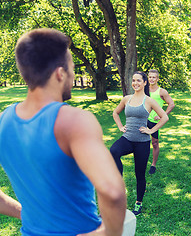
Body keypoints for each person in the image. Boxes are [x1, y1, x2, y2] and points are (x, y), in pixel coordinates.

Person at [0, 28, 128, 235]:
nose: (73, 75)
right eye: (72, 68)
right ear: (60, 74)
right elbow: (112, 192)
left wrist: (29, 213)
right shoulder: (75, 121)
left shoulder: (3, 121)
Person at [110, 71, 169, 216]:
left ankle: (138, 203)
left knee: (140, 174)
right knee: (113, 151)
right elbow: (115, 113)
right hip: (127, 138)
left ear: (144, 83)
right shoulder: (126, 99)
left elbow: (164, 117)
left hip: (142, 142)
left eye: (138, 81)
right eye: (133, 80)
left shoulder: (149, 101)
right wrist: (120, 126)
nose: (135, 83)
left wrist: (151, 130)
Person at [147, 69, 175, 174]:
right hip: (144, 119)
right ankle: (143, 161)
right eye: (150, 77)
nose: (152, 79)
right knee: (142, 142)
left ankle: (153, 164)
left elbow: (171, 104)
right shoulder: (144, 89)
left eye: (154, 77)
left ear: (157, 79)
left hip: (155, 121)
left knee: (154, 143)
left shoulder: (162, 91)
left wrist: (163, 115)